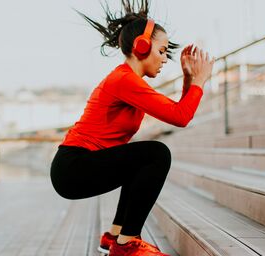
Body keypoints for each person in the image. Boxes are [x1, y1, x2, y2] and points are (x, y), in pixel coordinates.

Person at [49, 1, 214, 255]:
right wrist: (200, 82)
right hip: (74, 167)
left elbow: (178, 112)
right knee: (156, 154)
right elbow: (181, 117)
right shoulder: (124, 80)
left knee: (140, 160)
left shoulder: (129, 81)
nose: (163, 59)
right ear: (141, 46)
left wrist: (190, 80)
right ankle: (127, 244)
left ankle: (114, 237)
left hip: (74, 165)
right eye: (161, 51)